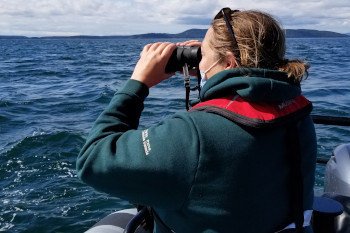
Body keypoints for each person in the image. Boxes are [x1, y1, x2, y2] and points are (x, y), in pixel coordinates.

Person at [77, 8, 317, 233]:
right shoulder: (297, 113)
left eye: (204, 54)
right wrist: (213, 71)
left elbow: (92, 161)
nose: (199, 60)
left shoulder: (194, 135)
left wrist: (137, 84)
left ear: (230, 62)